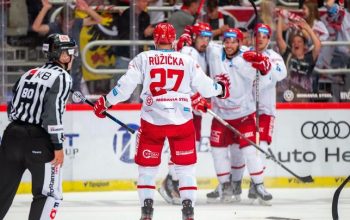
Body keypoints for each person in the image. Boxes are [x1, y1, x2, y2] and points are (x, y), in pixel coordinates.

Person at [93, 23, 228, 220]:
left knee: (147, 171)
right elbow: (207, 87)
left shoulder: (143, 58)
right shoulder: (187, 59)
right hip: (182, 122)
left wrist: (106, 101)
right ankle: (188, 210)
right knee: (186, 170)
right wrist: (221, 89)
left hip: (152, 122)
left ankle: (147, 211)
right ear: (174, 40)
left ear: (155, 40)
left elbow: (124, 88)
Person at [178, 27, 273, 203]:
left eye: (233, 41)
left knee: (250, 151)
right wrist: (187, 38)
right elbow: (198, 45)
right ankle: (225, 185)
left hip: (244, 114)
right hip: (220, 114)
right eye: (227, 41)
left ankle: (258, 185)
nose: (229, 45)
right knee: (217, 151)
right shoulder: (214, 51)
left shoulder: (248, 56)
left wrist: (264, 65)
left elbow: (267, 78)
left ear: (240, 42)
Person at [0, 34, 77, 219]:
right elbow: (52, 115)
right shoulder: (63, 77)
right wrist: (57, 146)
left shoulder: (29, 73)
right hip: (39, 140)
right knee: (48, 195)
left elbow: (12, 108)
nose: (72, 57)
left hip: (11, 136)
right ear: (63, 55)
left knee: (2, 192)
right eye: (70, 52)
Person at [228, 23, 287, 204]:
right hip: (246, 111)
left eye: (264, 35)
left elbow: (280, 74)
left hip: (265, 111)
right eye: (258, 35)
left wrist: (264, 65)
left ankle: (256, 183)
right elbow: (236, 67)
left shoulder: (274, 57)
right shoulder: (245, 54)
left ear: (269, 39)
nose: (260, 38)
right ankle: (235, 183)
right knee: (239, 149)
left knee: (260, 146)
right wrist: (250, 60)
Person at [158, 22, 213, 205]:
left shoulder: (199, 53)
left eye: (207, 37)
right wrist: (194, 97)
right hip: (181, 108)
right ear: (194, 37)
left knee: (189, 147)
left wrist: (199, 98)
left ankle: (173, 182)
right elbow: (181, 80)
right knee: (181, 147)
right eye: (201, 37)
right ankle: (171, 183)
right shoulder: (190, 53)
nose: (205, 41)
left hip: (189, 109)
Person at [32, 0, 102, 93]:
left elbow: (99, 20)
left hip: (75, 68)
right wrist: (45, 8)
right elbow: (36, 28)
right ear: (60, 19)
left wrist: (87, 9)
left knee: (76, 96)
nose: (68, 25)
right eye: (66, 23)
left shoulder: (77, 23)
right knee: (58, 95)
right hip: (57, 69)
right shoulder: (54, 26)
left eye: (71, 22)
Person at [276, 13, 321, 102]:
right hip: (286, 97)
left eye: (299, 41)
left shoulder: (309, 58)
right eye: (294, 41)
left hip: (304, 97)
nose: (296, 43)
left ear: (304, 46)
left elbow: (318, 45)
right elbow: (279, 38)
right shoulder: (287, 54)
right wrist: (280, 17)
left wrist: (307, 28)